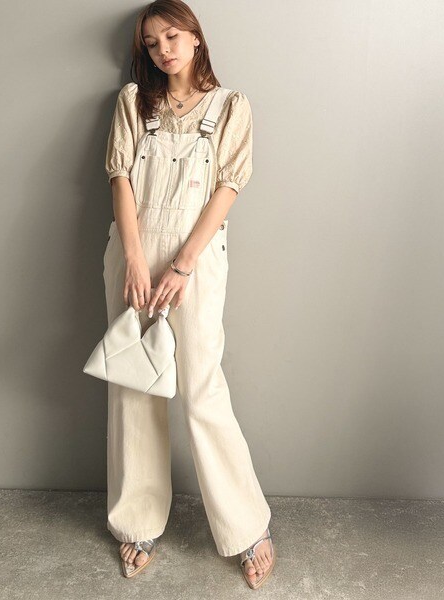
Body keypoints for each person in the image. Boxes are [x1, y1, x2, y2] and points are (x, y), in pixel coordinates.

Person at [103, 0, 276, 589]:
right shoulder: (134, 101)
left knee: (202, 387)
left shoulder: (231, 106)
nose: (163, 50)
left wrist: (181, 265)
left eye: (172, 36)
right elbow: (120, 178)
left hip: (195, 259)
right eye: (152, 43)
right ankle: (137, 523)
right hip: (132, 252)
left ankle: (247, 528)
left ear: (195, 37)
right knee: (134, 385)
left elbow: (228, 187)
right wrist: (133, 258)